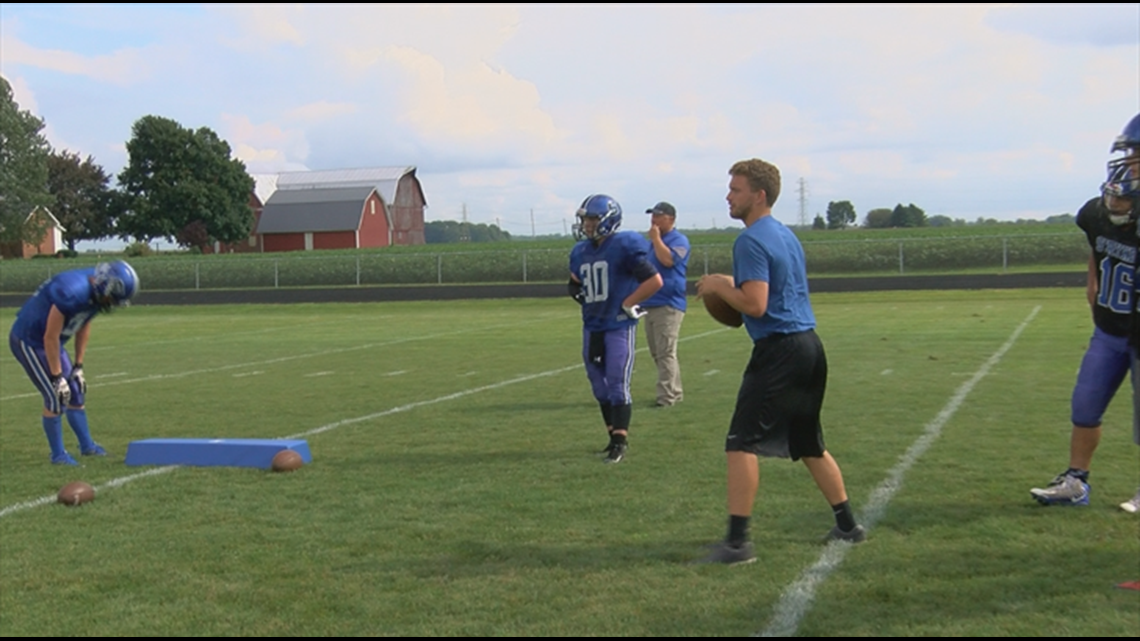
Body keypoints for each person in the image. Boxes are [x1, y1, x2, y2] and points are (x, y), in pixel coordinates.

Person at [696, 159, 863, 565]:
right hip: (809, 347)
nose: (728, 197)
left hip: (780, 351)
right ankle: (847, 525)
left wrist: (719, 284)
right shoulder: (785, 236)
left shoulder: (750, 240)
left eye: (735, 190)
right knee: (808, 443)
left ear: (759, 195)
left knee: (741, 442)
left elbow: (755, 304)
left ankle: (738, 545)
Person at [1030, 114, 1140, 510]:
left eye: (1137, 155)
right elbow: (1097, 243)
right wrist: (1092, 279)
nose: (1129, 164)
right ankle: (1075, 482)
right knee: (1086, 403)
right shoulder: (1099, 210)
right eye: (1128, 153)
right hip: (1110, 328)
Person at [9, 260, 139, 465]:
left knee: (76, 390)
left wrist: (78, 366)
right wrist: (57, 376)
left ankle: (87, 446)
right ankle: (58, 455)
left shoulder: (96, 291)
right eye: (112, 299)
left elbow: (83, 324)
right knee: (56, 394)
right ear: (106, 285)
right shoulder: (71, 291)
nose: (111, 303)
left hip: (53, 341)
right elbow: (49, 337)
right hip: (30, 340)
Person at [569, 194, 663, 464]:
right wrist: (578, 295)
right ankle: (612, 437)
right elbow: (574, 282)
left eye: (592, 219)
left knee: (617, 383)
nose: (587, 225)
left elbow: (653, 280)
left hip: (618, 325)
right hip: (592, 324)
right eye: (585, 219)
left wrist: (628, 302)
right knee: (598, 385)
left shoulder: (624, 244)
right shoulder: (581, 251)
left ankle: (620, 443)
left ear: (608, 220)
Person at [641, 201, 691, 407]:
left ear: (670, 218)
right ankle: (675, 391)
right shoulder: (653, 242)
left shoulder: (678, 240)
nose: (653, 219)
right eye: (652, 215)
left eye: (658, 215)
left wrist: (656, 239)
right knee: (658, 352)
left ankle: (666, 396)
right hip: (651, 303)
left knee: (665, 352)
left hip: (669, 304)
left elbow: (668, 261)